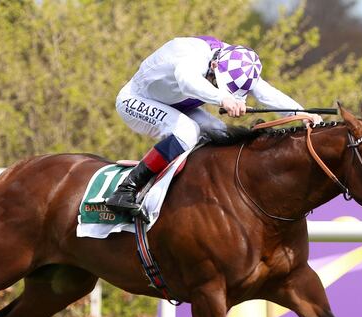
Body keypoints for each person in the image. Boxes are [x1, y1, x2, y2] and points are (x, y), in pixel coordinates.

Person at [105, 35, 322, 217]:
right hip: (135, 101)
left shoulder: (239, 64)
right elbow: (187, 81)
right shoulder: (192, 54)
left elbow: (268, 95)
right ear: (214, 65)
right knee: (187, 132)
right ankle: (126, 190)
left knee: (221, 133)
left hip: (176, 104)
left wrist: (302, 114)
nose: (216, 87)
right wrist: (223, 99)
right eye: (216, 82)